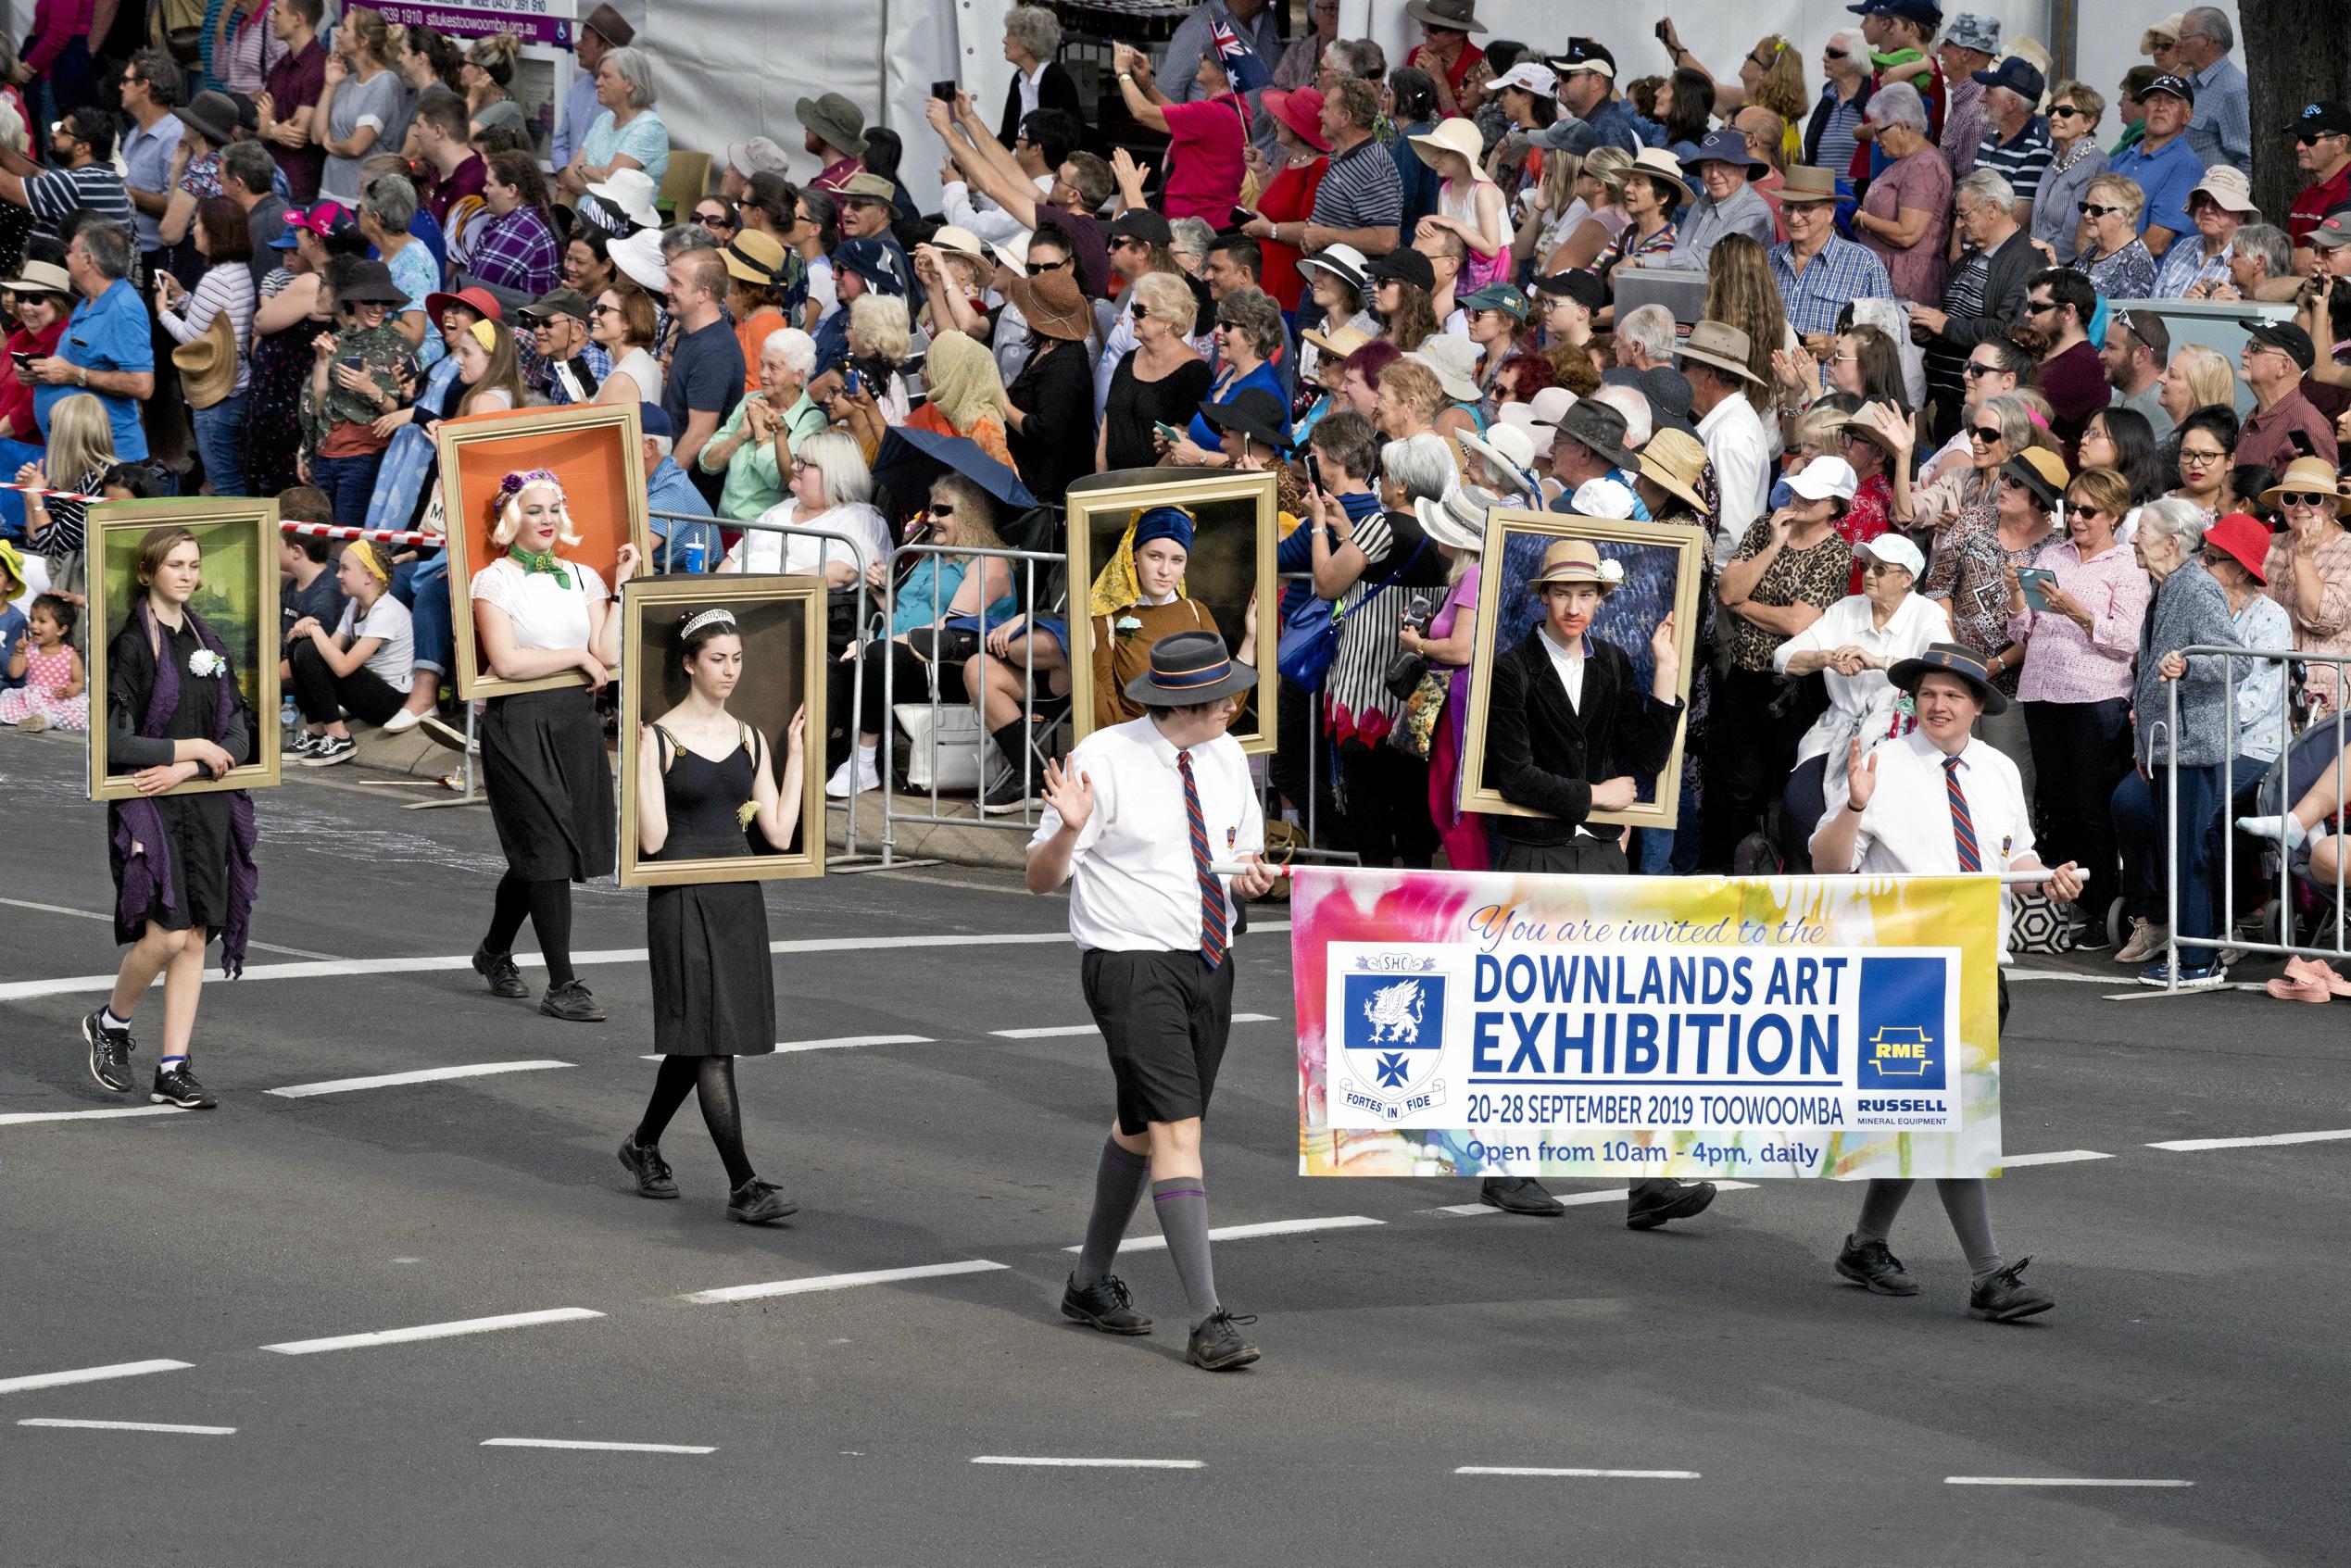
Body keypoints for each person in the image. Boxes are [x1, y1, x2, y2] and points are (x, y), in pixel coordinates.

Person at [1027, 626, 1277, 1370]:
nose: (1236, 702)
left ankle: (1086, 1282)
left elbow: (1234, 858)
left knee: (1143, 1124)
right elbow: (1040, 878)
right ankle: (1207, 1319)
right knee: (1179, 1131)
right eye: (1222, 695)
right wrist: (1069, 831)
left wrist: (1248, 881)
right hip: (1130, 964)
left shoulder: (1228, 755)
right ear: (1182, 703)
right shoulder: (1103, 758)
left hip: (1209, 957)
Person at [1810, 643, 2080, 1323]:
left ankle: (1866, 1243)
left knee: (1919, 1111)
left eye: (1954, 695)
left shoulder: (1997, 770)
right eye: (1928, 692)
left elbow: (2012, 852)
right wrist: (1852, 809)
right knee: (1951, 1111)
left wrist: (2048, 875)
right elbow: (1827, 867)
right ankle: (1989, 1274)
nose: (1938, 704)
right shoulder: (1882, 764)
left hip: (1979, 963)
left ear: (1978, 706)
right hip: (1905, 968)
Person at [622, 608, 807, 1226]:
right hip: (681, 895)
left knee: (701, 1037)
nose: (729, 670)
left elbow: (778, 833)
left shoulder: (752, 737)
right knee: (713, 1045)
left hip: (738, 899)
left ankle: (643, 1144)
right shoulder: (656, 737)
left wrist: (799, 755)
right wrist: (638, 765)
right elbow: (651, 839)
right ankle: (743, 1184)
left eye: (736, 659)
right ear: (689, 663)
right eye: (717, 659)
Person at [83, 525, 261, 1110]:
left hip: (200, 796)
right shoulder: (133, 644)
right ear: (147, 573)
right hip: (148, 802)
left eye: (194, 564)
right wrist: (190, 751)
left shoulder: (208, 639)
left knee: (197, 937)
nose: (188, 575)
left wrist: (192, 763)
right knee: (165, 934)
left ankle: (173, 1066)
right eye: (175, 565)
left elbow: (237, 725)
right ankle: (111, 1023)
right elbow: (115, 741)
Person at [468, 470, 640, 1022]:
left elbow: (606, 654)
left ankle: (494, 951)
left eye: (553, 509)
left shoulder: (584, 575)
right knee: (543, 850)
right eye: (534, 509)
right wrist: (576, 657)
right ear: (513, 519)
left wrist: (623, 585)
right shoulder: (492, 581)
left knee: (547, 853)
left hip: (573, 724)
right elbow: (508, 661)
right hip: (518, 722)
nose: (545, 519)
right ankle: (563, 984)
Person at [2106, 496, 2239, 987]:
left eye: (2142, 529)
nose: (2134, 538)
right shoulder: (2164, 588)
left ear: (2171, 541)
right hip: (2168, 744)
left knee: (2191, 852)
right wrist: (2145, 746)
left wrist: (2189, 666)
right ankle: (2191, 950)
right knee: (2176, 849)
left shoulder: (2197, 589)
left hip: (2194, 743)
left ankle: (2201, 958)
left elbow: (2236, 662)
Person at [1704, 455, 1858, 868]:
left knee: (1785, 784)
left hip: (1793, 685)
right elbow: (1727, 590)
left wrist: (1743, 603)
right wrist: (1773, 545)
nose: (1801, 497)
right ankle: (1738, 868)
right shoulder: (1764, 527)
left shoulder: (1837, 553)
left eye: (1815, 494)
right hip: (1743, 674)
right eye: (1801, 488)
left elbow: (1797, 622)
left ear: (1835, 506)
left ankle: (1784, 870)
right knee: (1740, 782)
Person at [1312, 430, 1453, 867]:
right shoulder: (1448, 532)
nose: (1380, 482)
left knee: (1370, 823)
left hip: (1367, 694)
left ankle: (1377, 914)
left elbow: (1326, 584)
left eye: (1387, 474)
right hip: (1418, 703)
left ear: (1404, 485)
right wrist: (1347, 529)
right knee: (1413, 819)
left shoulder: (1382, 525)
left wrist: (1319, 524)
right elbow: (1387, 565)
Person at [826, 473, 1013, 797]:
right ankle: (817, 757)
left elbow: (950, 628)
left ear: (968, 515)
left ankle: (865, 761)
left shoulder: (989, 562)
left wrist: (876, 644)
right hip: (904, 658)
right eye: (930, 510)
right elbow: (899, 621)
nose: (931, 518)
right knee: (832, 667)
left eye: (942, 510)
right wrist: (882, 595)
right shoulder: (926, 560)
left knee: (874, 657)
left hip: (950, 665)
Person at [1773, 532, 1949, 870]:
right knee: (1798, 807)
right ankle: (1803, 904)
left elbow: (1941, 666)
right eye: (1866, 566)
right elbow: (1783, 657)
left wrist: (1879, 661)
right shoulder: (1846, 610)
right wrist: (1825, 657)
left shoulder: (1926, 614)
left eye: (1881, 570)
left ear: (1906, 578)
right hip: (1838, 729)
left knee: (1881, 822)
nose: (1868, 575)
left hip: (1900, 736)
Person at [1912, 169, 2036, 447]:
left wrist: (1944, 325)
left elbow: (2009, 331)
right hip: (1950, 399)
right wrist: (1927, 332)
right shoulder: (1971, 257)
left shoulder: (2026, 261)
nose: (1958, 224)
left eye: (1965, 214)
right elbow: (1952, 316)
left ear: (1992, 209)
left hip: (1983, 411)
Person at [156, 196, 256, 497]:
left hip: (218, 396)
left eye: (198, 223)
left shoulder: (215, 279)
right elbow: (216, 323)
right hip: (239, 385)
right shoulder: (239, 271)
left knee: (225, 483)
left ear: (213, 231)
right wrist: (184, 296)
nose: (194, 229)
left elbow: (191, 338)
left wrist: (163, 311)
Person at [283, 536, 409, 765]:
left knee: (310, 647)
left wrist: (314, 629)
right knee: (299, 647)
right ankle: (315, 730)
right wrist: (309, 627)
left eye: (345, 569)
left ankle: (340, 737)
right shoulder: (356, 605)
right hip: (368, 690)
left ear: (369, 577)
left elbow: (342, 668)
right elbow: (327, 651)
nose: (338, 575)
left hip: (389, 701)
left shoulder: (386, 612)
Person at [1109, 39, 1247, 228]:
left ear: (1222, 74)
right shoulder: (1233, 106)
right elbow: (1180, 118)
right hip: (1209, 219)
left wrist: (1122, 72)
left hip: (1194, 223)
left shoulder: (1213, 113)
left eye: (1206, 56)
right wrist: (1147, 85)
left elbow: (1143, 113)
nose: (1200, 56)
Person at [721, 428, 889, 580]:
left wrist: (766, 587)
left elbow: (845, 571)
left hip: (793, 608)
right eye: (796, 459)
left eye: (804, 463)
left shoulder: (859, 518)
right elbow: (733, 558)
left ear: (833, 473)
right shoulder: (780, 510)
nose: (793, 466)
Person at [2257, 456, 2351, 718]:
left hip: (2324, 697)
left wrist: (2303, 558)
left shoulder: (2347, 549)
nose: (2300, 507)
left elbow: (2323, 618)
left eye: (2312, 498)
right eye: (2290, 498)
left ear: (2332, 506)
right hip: (2266, 690)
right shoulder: (2268, 545)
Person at [701, 326, 819, 524]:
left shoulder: (811, 419)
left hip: (765, 532)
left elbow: (783, 480)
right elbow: (707, 463)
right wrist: (741, 435)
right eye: (762, 365)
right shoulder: (751, 400)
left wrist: (761, 435)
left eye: (773, 368)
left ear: (798, 375)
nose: (762, 374)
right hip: (724, 524)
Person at [1098, 270, 1212, 473]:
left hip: (1155, 490)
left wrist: (1141, 491)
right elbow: (1108, 426)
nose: (1132, 315)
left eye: (1140, 310)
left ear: (1168, 319)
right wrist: (1102, 481)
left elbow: (1178, 445)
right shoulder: (1128, 359)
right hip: (1110, 485)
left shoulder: (1194, 373)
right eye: (1133, 307)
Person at [1000, 267, 1096, 506]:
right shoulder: (1046, 347)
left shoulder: (1067, 363)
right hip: (1028, 481)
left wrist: (1002, 403)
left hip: (1047, 494)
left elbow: (1044, 430)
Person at [1678, 321, 1770, 567]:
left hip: (1714, 581)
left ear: (1708, 376)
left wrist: (1708, 584)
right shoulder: (1729, 424)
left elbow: (1731, 533)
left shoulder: (1728, 435)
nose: (1681, 376)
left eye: (1684, 367)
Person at [1852, 82, 1950, 308]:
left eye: (1879, 132)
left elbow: (1908, 233)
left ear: (1903, 127)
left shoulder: (1925, 166)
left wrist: (1860, 218)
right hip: (1890, 285)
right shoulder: (1906, 161)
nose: (1875, 140)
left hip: (1907, 293)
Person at [1769, 166, 1892, 341]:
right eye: (1788, 207)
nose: (1794, 218)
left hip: (1828, 369)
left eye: (1805, 208)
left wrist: (1835, 346)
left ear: (1830, 212)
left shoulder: (1865, 264)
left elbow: (1888, 340)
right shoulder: (1769, 260)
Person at [663, 249, 747, 503]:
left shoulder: (714, 351)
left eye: (676, 283)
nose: (665, 288)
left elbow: (699, 433)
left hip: (693, 494)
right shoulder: (689, 333)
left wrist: (661, 488)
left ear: (704, 293)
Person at [1638, 129, 1774, 272]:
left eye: (1724, 164)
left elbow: (1714, 259)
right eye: (1707, 165)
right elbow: (1682, 255)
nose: (1714, 174)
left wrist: (1643, 260)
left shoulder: (1755, 211)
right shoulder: (1700, 205)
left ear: (1744, 168)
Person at [2106, 73, 2201, 261]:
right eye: (2154, 99)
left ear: (2187, 116)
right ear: (2144, 109)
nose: (2160, 107)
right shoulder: (2121, 159)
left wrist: (2106, 265)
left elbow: (2157, 242)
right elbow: (2089, 219)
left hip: (2147, 281)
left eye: (2171, 102)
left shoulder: (2186, 165)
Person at [311, 6, 399, 207]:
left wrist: (330, 144)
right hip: (330, 193)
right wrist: (330, 85)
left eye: (346, 29)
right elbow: (317, 136)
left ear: (363, 41)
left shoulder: (385, 83)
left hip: (361, 202)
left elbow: (356, 146)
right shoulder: (347, 81)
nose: (339, 33)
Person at [2235, 322, 2339, 474]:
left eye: (2255, 348)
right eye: (2248, 345)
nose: (2244, 353)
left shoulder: (2308, 429)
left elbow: (2318, 494)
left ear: (2284, 366)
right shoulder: (2259, 415)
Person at [254, 0, 329, 204]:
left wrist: (270, 126)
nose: (271, 19)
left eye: (277, 13)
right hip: (271, 178)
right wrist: (272, 129)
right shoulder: (280, 66)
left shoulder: (318, 67)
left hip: (299, 186)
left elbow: (297, 135)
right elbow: (260, 131)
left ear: (298, 19)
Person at [2031, 80, 2109, 266]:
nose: (2055, 117)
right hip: (2036, 261)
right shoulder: (2054, 163)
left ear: (2089, 122)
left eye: (2065, 112)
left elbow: (2074, 233)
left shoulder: (2095, 163)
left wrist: (2042, 262)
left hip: (2062, 268)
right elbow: (2038, 224)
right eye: (2051, 111)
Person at [468, 151, 561, 302]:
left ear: (511, 190)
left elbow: (476, 292)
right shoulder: (531, 218)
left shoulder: (518, 234)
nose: (484, 189)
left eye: (490, 184)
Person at [551, 4, 630, 172]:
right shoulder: (577, 90)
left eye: (585, 39)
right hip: (570, 187)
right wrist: (564, 173)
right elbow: (560, 143)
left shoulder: (632, 97)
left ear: (606, 47)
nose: (577, 45)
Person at [2173, 6, 2247, 176]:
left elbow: (2248, 159)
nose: (2178, 43)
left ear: (2207, 42)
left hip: (2207, 199)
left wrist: (2221, 201)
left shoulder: (2233, 90)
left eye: (2183, 37)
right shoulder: (2191, 81)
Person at [996, 6, 1083, 146]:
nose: (1004, 40)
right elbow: (1008, 136)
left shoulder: (1055, 78)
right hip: (1025, 161)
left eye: (1010, 34)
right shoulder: (1019, 79)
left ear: (1030, 43)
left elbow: (1059, 140)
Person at [1, 589, 84, 729]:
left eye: (42, 621)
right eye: (32, 619)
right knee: (6, 706)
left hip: (58, 700)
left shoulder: (70, 655)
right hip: (30, 698)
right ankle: (13, 718)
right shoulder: (30, 649)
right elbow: (15, 673)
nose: (34, 625)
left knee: (57, 715)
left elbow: (78, 683)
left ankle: (43, 722)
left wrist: (69, 691)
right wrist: (19, 652)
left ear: (61, 630)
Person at [2069, 173, 2157, 298]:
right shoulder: (2092, 252)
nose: (2087, 214)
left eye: (2096, 209)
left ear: (2124, 216)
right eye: (2084, 207)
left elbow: (2127, 317)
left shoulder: (2137, 266)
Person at [2287, 103, 2351, 264]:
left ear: (2341, 143)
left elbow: (2311, 262)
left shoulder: (2347, 193)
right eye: (2299, 138)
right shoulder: (2308, 193)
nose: (2299, 147)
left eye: (2310, 139)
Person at [2101, 307, 2173, 442]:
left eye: (2110, 347)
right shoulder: (2121, 397)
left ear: (2141, 354)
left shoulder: (2162, 405)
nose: (2101, 355)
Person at [590, 283, 661, 408]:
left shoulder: (622, 380)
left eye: (602, 309)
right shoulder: (644, 361)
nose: (592, 315)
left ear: (628, 322)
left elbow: (603, 427)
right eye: (595, 307)